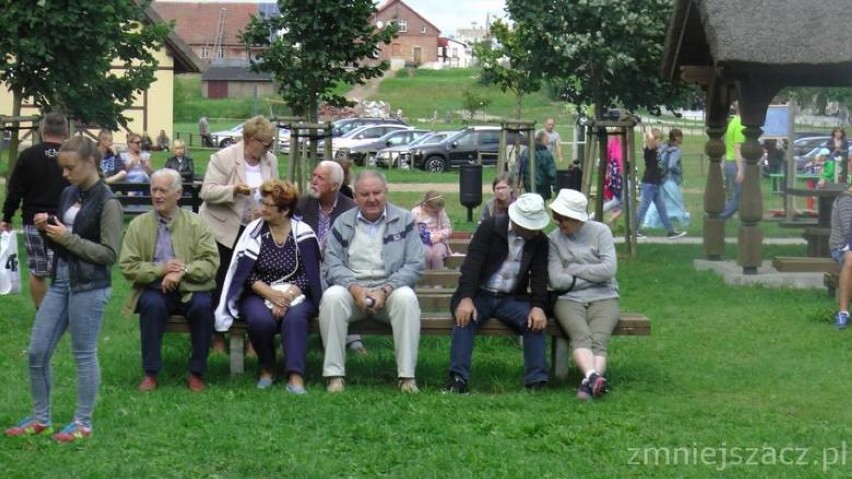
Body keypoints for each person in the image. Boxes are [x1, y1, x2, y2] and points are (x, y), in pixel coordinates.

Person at [5, 136, 123, 442]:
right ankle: (40, 419)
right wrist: (49, 230)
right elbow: (64, 240)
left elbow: (109, 254)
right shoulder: (69, 192)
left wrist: (66, 237)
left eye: (70, 168)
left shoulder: (109, 202)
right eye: (63, 168)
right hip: (60, 281)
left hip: (89, 286)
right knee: (36, 351)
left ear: (90, 163)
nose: (64, 174)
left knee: (83, 353)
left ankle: (82, 423)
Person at [320, 171, 424, 393]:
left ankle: (407, 378)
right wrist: (354, 288)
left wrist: (386, 290)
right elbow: (332, 263)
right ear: (355, 197)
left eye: (377, 192)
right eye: (365, 194)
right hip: (353, 293)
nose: (372, 199)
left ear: (386, 192)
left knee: (407, 298)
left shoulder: (405, 220)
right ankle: (334, 376)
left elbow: (415, 263)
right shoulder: (343, 222)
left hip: (390, 292)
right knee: (331, 297)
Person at [216, 179, 323, 392]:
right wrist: (271, 294)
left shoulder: (303, 233)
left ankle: (295, 376)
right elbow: (244, 272)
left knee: (295, 318)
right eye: (261, 202)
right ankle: (267, 368)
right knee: (260, 320)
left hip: (297, 293)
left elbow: (310, 274)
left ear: (284, 210)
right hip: (258, 292)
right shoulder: (254, 232)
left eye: (267, 205)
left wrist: (287, 296)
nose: (261, 208)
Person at [119, 168, 219, 392]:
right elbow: (128, 266)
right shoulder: (138, 224)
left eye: (163, 190)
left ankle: (196, 372)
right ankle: (151, 373)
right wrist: (161, 269)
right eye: (154, 190)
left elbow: (210, 262)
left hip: (192, 286)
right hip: (155, 287)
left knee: (203, 307)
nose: (157, 195)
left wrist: (182, 270)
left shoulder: (196, 223)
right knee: (151, 305)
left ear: (178, 193)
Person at [443, 193, 550, 394]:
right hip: (479, 294)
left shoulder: (539, 241)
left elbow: (539, 276)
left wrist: (538, 307)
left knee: (533, 322)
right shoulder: (490, 228)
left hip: (511, 298)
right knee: (464, 318)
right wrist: (466, 298)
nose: (534, 231)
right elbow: (472, 265)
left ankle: (536, 381)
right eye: (530, 226)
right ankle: (458, 379)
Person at [199, 115, 279, 353]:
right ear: (250, 139)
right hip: (222, 228)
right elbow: (207, 191)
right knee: (220, 280)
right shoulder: (223, 158)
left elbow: (273, 189)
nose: (269, 147)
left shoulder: (270, 160)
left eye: (270, 143)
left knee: (251, 281)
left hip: (254, 230)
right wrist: (234, 190)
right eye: (265, 143)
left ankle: (250, 337)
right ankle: (218, 336)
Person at [547, 189, 619, 400]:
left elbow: (609, 270)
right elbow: (557, 281)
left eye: (563, 219)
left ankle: (588, 384)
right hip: (569, 299)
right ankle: (593, 377)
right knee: (581, 336)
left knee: (598, 339)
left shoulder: (601, 232)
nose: (558, 223)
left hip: (605, 295)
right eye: (556, 217)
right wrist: (593, 273)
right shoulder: (553, 240)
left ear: (578, 218)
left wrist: (575, 270)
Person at [294, 161, 364, 354]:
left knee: (326, 278)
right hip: (303, 267)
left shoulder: (351, 210)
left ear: (334, 186)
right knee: (317, 277)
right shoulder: (301, 204)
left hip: (339, 268)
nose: (313, 181)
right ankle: (350, 337)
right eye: (314, 175)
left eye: (320, 178)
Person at [1, 112, 69, 309]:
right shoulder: (71, 158)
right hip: (64, 221)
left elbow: (15, 190)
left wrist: (7, 216)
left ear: (42, 130)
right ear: (65, 132)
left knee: (38, 271)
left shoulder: (28, 155)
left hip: (33, 221)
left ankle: (43, 312)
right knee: (64, 268)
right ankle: (63, 311)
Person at [635, 129, 686, 238]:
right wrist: (650, 133)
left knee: (662, 209)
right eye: (658, 139)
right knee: (643, 208)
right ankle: (633, 230)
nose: (660, 142)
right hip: (649, 184)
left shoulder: (658, 151)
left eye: (660, 139)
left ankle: (670, 231)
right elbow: (649, 140)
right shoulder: (649, 152)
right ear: (652, 140)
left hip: (656, 184)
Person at [411, 190, 452, 270]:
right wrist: (426, 236)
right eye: (435, 211)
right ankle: (427, 280)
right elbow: (411, 231)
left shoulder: (441, 212)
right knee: (426, 254)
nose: (437, 213)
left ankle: (438, 280)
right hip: (422, 242)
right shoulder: (415, 212)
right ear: (426, 206)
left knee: (437, 254)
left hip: (439, 242)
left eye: (439, 210)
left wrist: (440, 235)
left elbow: (448, 228)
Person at [830, 186, 852, 329]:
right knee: (850, 260)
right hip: (841, 246)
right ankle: (843, 312)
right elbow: (848, 231)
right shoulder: (846, 200)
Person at [720, 103, 745, 220]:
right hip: (736, 163)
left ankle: (721, 216)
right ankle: (719, 218)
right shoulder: (740, 125)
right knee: (740, 197)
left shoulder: (733, 122)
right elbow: (737, 148)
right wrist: (740, 170)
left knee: (737, 195)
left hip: (730, 162)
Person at [518, 130, 557, 200]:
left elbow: (520, 167)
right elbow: (552, 172)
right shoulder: (546, 154)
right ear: (541, 140)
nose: (548, 143)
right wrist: (555, 186)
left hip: (527, 185)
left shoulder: (525, 151)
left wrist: (520, 180)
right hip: (542, 186)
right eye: (546, 140)